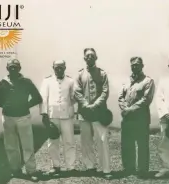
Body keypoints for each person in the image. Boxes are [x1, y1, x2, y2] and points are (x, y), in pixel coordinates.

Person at [0, 59, 42, 182]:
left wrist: (25, 105)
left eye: (15, 67)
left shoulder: (26, 82)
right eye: (11, 67)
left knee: (27, 145)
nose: (13, 69)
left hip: (23, 117)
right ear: (7, 68)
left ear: (19, 68)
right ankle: (15, 170)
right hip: (8, 118)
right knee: (11, 145)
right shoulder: (2, 83)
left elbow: (37, 98)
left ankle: (31, 171)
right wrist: (8, 106)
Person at [74, 48, 112, 179]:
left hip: (99, 113)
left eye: (92, 56)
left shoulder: (102, 74)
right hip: (84, 113)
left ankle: (106, 169)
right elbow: (77, 92)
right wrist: (85, 105)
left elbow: (105, 92)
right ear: (84, 58)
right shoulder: (79, 74)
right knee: (86, 141)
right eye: (87, 56)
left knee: (102, 140)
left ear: (96, 57)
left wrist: (95, 105)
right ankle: (90, 166)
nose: (89, 58)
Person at [118, 57, 155, 178]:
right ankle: (129, 168)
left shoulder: (148, 81)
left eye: (137, 65)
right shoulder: (126, 81)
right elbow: (120, 97)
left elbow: (146, 99)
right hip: (127, 119)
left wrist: (130, 110)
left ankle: (142, 170)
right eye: (133, 65)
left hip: (141, 118)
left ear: (142, 66)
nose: (135, 67)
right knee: (127, 144)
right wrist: (124, 108)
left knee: (142, 144)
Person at [39, 60, 77, 175]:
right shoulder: (47, 81)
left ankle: (71, 167)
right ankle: (55, 166)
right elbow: (43, 98)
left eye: (61, 67)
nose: (59, 69)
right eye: (56, 67)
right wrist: (44, 114)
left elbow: (75, 97)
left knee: (69, 141)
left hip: (67, 116)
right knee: (53, 141)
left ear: (65, 67)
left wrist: (69, 105)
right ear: (53, 68)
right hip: (52, 116)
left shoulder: (71, 81)